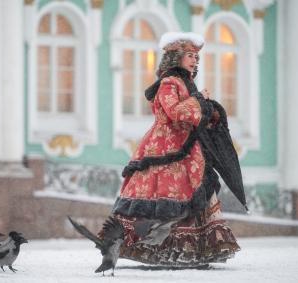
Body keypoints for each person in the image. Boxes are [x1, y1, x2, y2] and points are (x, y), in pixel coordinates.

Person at [100, 32, 240, 267]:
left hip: (188, 146)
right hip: (167, 146)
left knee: (196, 189)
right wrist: (199, 101)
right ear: (176, 57)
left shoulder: (185, 82)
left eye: (196, 56)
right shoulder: (168, 82)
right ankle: (159, 247)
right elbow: (175, 111)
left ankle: (192, 249)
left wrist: (210, 110)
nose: (195, 60)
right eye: (189, 55)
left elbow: (191, 114)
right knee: (169, 193)